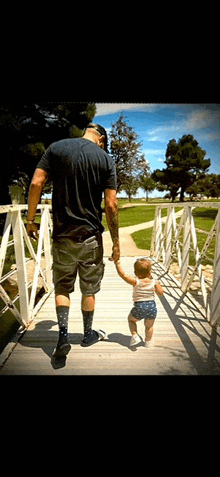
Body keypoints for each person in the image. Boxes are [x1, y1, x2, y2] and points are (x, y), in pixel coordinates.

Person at [27, 123, 120, 358]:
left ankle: (63, 337)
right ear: (101, 139)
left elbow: (37, 182)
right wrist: (116, 242)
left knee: (62, 287)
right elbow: (111, 204)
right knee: (88, 290)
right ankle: (88, 334)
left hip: (61, 235)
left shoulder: (56, 148)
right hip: (90, 237)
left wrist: (30, 220)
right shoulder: (106, 159)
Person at [115, 258, 163, 347]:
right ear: (150, 272)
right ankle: (148, 342)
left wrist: (117, 264)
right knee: (149, 326)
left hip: (139, 307)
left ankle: (134, 335)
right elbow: (160, 294)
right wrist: (158, 285)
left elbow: (123, 275)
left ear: (135, 273)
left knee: (131, 320)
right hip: (151, 307)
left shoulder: (135, 281)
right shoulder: (154, 282)